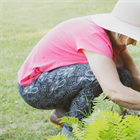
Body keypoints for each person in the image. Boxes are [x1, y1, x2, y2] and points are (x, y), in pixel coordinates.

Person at [17, 0, 140, 137]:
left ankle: (62, 114)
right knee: (94, 77)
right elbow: (114, 91)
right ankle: (70, 134)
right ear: (122, 31)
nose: (134, 43)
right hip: (33, 87)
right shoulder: (94, 37)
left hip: (56, 80)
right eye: (134, 36)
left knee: (124, 76)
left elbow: (135, 77)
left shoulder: (115, 38)